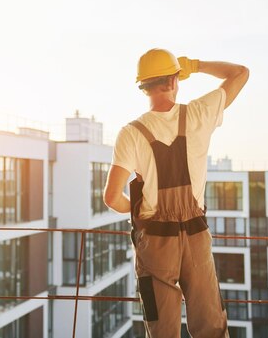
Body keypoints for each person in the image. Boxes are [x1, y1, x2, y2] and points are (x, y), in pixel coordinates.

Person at [103, 48, 249, 337]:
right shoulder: (199, 114)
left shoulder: (131, 133)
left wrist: (137, 206)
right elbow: (239, 73)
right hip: (195, 236)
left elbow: (111, 197)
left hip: (156, 241)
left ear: (143, 86)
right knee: (211, 325)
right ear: (173, 81)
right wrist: (195, 65)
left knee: (162, 329)